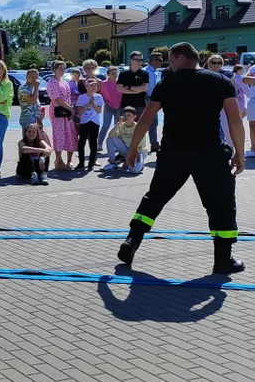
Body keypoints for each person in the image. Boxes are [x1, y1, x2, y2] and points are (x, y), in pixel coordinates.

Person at [118, 42, 245, 274]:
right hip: (210, 155)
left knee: (154, 198)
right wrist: (239, 153)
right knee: (221, 204)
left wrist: (133, 149)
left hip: (173, 154)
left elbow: (146, 119)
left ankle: (132, 241)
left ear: (181, 58)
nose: (169, 63)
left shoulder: (167, 83)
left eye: (171, 59)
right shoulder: (220, 82)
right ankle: (223, 259)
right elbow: (235, 120)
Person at [47, 62, 78, 171]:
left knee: (71, 134)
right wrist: (69, 108)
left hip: (67, 109)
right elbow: (57, 98)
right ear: (54, 69)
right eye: (60, 68)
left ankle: (69, 160)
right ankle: (59, 160)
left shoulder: (64, 82)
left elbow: (69, 96)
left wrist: (71, 108)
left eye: (64, 69)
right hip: (58, 110)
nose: (62, 71)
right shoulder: (52, 82)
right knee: (59, 134)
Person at [103, 106, 149, 173]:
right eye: (124, 115)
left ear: (134, 117)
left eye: (128, 115)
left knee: (134, 170)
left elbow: (138, 147)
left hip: (138, 152)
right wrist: (118, 123)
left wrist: (127, 160)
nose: (126, 117)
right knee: (110, 139)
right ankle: (112, 163)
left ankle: (140, 164)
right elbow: (110, 135)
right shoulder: (121, 126)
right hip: (127, 150)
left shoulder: (138, 128)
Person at [74, 78, 103, 172]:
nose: (93, 87)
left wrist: (93, 104)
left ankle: (91, 163)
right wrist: (87, 105)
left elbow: (99, 111)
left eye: (95, 85)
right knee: (81, 142)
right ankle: (81, 163)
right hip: (84, 122)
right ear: (86, 86)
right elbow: (80, 111)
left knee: (93, 143)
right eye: (91, 85)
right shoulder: (81, 97)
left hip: (94, 123)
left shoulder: (98, 97)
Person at [117, 50, 150, 122]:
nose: (139, 62)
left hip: (140, 105)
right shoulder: (123, 74)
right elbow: (119, 88)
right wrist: (136, 91)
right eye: (137, 60)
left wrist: (128, 87)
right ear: (131, 60)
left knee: (139, 128)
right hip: (126, 105)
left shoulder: (144, 74)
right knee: (124, 127)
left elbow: (144, 88)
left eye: (141, 60)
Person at [97, 66, 123, 151]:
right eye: (112, 73)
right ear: (108, 74)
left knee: (117, 126)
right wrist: (104, 101)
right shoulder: (103, 84)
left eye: (116, 73)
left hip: (119, 106)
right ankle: (99, 144)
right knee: (105, 125)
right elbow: (100, 94)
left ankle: (117, 145)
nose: (115, 75)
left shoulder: (120, 83)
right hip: (108, 106)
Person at [145, 51, 163, 152]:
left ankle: (154, 143)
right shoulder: (145, 71)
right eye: (159, 60)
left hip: (155, 98)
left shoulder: (158, 73)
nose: (161, 62)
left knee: (154, 122)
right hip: (146, 98)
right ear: (152, 61)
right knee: (145, 121)